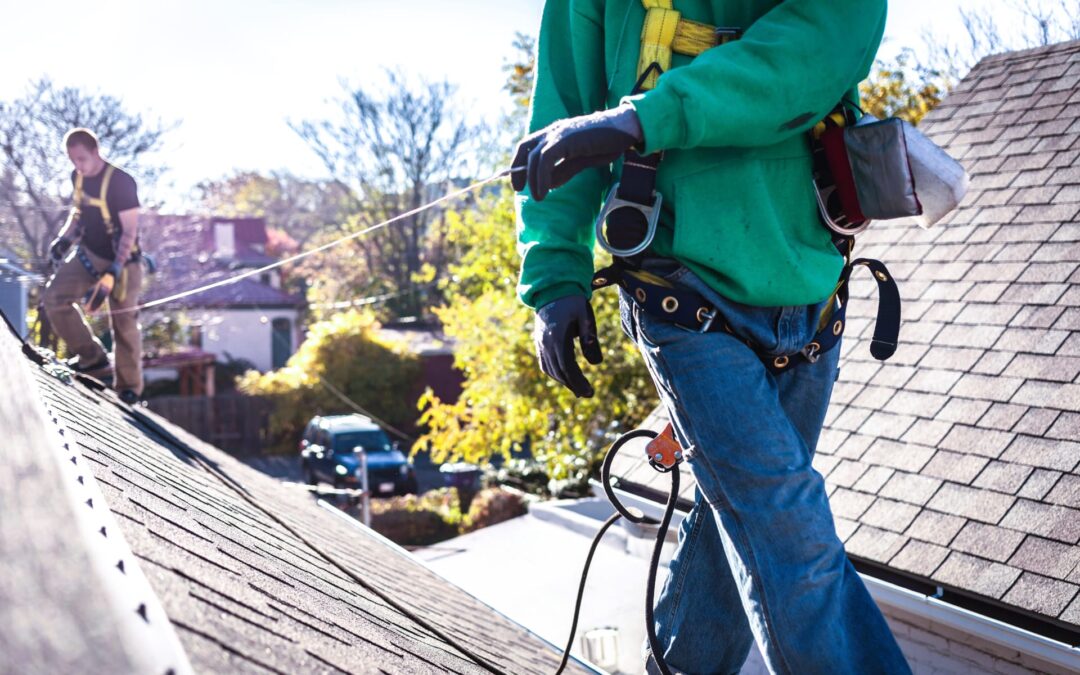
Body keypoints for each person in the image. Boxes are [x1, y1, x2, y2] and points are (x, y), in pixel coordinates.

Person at [512, 1, 911, 673]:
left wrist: (645, 117)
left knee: (738, 527)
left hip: (809, 289)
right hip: (680, 285)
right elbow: (566, 109)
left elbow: (818, 42)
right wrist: (554, 272)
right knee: (785, 527)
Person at [44, 128, 144, 404]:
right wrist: (63, 241)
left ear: (96, 152)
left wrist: (115, 269)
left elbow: (129, 232)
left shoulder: (122, 183)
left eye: (82, 159)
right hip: (89, 254)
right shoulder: (78, 177)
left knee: (123, 323)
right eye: (73, 160)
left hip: (124, 261)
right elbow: (78, 215)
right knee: (55, 298)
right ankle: (93, 358)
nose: (78, 166)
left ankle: (129, 388)